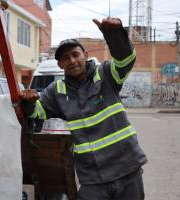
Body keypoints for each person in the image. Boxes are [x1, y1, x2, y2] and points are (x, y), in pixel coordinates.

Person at [20, 17, 147, 200]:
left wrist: (114, 34)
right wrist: (29, 102)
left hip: (126, 169)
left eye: (75, 54)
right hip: (92, 179)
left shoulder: (105, 74)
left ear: (85, 55)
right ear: (60, 65)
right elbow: (37, 112)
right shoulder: (56, 92)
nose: (72, 61)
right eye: (65, 58)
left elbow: (125, 58)